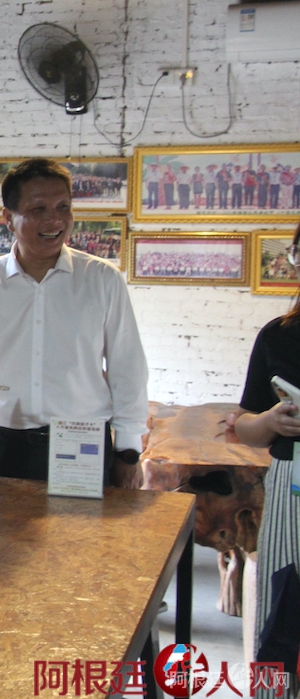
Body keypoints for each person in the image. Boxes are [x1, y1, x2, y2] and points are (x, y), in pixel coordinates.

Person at [0, 158, 148, 482]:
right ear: (9, 218)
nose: (54, 219)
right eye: (38, 209)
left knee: (79, 520)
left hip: (81, 441)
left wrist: (129, 450)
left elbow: (127, 367)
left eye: (63, 207)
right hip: (6, 445)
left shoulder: (101, 279)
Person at [228, 220, 300, 696]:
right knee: (280, 607)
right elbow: (244, 427)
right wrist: (271, 421)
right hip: (292, 484)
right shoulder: (278, 335)